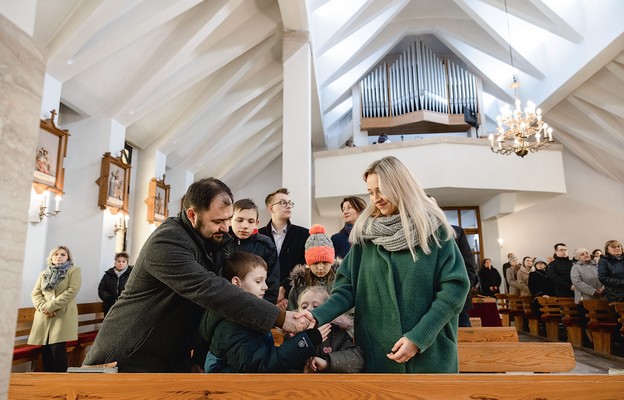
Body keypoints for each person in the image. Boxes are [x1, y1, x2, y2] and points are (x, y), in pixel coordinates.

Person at [83, 178, 310, 372]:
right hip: (128, 354)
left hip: (170, 353)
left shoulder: (212, 240)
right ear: (192, 214)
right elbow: (210, 290)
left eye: (227, 219)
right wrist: (279, 318)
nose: (225, 228)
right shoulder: (167, 242)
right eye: (217, 221)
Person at [304, 156, 470, 373]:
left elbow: (454, 291)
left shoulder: (433, 231)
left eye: (381, 190)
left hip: (430, 354)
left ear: (400, 186)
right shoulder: (365, 237)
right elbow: (346, 290)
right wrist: (316, 316)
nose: (375, 199)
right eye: (371, 192)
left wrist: (419, 337)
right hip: (379, 355)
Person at [199, 253, 330, 373]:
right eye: (258, 281)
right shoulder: (231, 326)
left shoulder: (245, 316)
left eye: (265, 281)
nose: (265, 287)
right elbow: (264, 364)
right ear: (236, 283)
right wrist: (306, 341)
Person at [28, 246, 82, 372]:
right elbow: (35, 294)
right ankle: (48, 381)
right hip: (44, 316)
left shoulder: (74, 271)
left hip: (62, 314)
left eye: (63, 254)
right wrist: (43, 307)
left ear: (68, 257)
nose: (59, 256)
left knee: (57, 349)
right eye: (56, 254)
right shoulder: (44, 274)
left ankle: (61, 381)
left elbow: (71, 291)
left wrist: (50, 306)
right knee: (46, 349)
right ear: (51, 257)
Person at [258, 188, 309, 308]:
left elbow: (306, 266)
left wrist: (285, 290)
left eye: (290, 203)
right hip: (263, 298)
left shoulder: (304, 234)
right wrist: (273, 296)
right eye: (283, 203)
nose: (288, 206)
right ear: (270, 208)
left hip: (294, 298)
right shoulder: (258, 236)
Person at [298, 286, 364, 373]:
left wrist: (327, 362)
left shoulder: (338, 334)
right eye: (304, 307)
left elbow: (357, 359)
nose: (309, 309)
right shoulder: (294, 335)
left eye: (316, 306)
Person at [229, 198, 280, 304]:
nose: (245, 226)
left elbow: (272, 286)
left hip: (256, 307)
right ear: (230, 220)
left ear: (256, 223)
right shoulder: (220, 243)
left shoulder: (266, 246)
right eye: (240, 220)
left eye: (250, 221)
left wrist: (262, 310)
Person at [288, 224, 337, 311]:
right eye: (316, 263)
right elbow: (292, 311)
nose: (320, 268)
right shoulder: (299, 285)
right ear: (309, 263)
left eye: (325, 262)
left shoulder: (340, 282)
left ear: (331, 262)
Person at [98, 252, 133, 316]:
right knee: (108, 325)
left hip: (125, 305)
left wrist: (124, 299)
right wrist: (108, 298)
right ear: (115, 262)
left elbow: (133, 289)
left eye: (123, 261)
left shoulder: (132, 275)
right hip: (109, 306)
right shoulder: (107, 275)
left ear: (127, 263)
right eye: (118, 261)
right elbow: (101, 289)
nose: (121, 263)